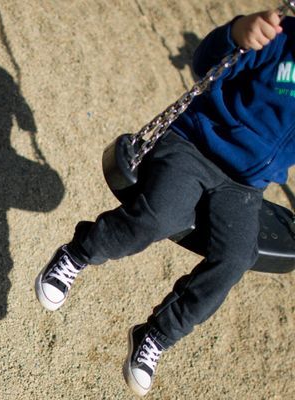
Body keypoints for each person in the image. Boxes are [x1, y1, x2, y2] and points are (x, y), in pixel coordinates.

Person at [35, 9, 295, 396]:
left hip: (245, 185)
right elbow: (205, 61)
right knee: (160, 217)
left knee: (237, 257)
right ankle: (77, 253)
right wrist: (238, 33)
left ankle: (155, 334)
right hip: (195, 145)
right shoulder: (276, 36)